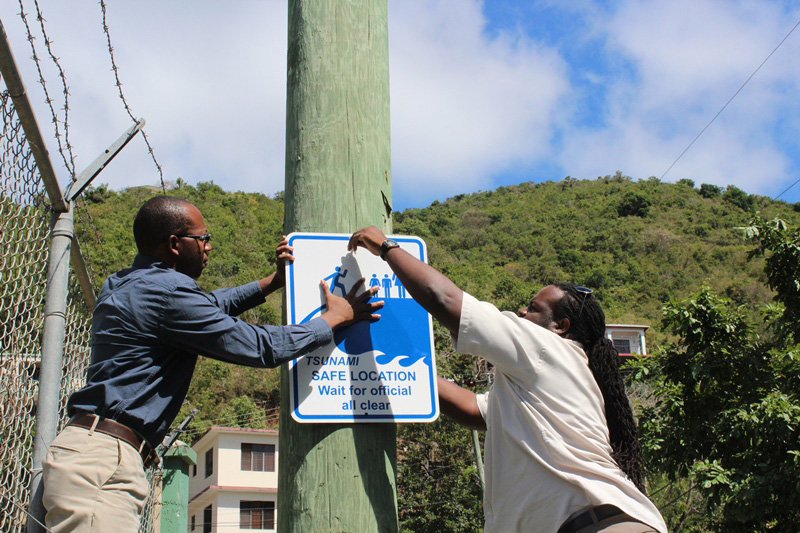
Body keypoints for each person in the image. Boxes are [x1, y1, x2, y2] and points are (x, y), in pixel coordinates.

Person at [41, 196, 382, 532]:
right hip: (102, 467)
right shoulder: (168, 296)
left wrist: (274, 281)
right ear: (175, 244)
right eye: (202, 238)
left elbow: (209, 304)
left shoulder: (122, 283)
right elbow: (260, 347)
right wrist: (332, 320)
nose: (208, 246)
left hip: (80, 452)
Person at [348, 226, 667, 533]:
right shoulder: (553, 377)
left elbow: (443, 299)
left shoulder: (547, 348)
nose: (521, 311)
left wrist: (385, 247)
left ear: (560, 325)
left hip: (595, 524)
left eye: (532, 308)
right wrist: (395, 368)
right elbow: (475, 410)